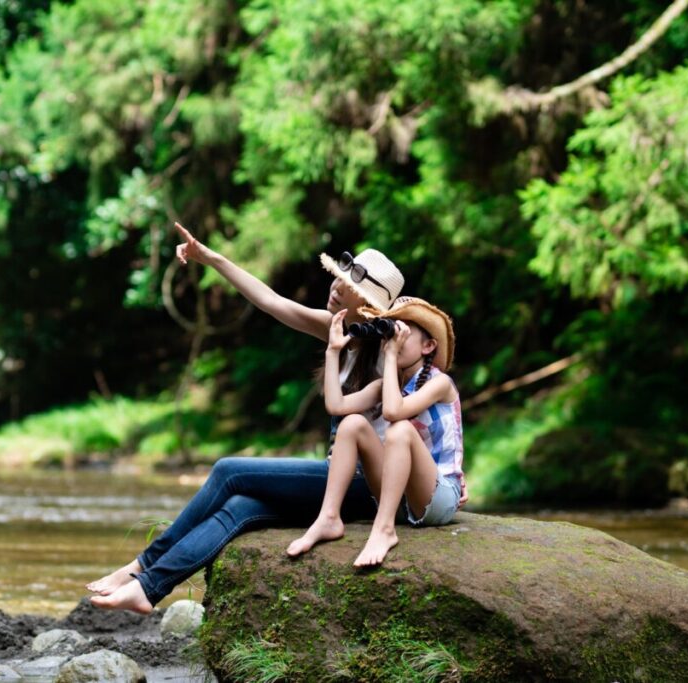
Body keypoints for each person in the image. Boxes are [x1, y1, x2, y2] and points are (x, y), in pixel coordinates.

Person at [88, 223, 457, 613]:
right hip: (339, 478)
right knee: (242, 507)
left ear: (367, 304)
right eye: (337, 278)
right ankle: (149, 587)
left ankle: (141, 565)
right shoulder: (339, 334)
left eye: (347, 286)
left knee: (230, 471)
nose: (335, 286)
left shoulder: (389, 359)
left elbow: (403, 431)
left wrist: (445, 479)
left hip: (366, 484)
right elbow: (269, 300)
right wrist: (210, 258)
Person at [286, 296, 465, 567]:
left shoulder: (440, 384)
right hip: (404, 501)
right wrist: (333, 352)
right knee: (352, 424)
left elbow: (394, 412)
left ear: (428, 346)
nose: (391, 341)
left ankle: (384, 529)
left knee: (400, 430)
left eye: (403, 334)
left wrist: (391, 356)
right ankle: (329, 517)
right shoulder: (387, 385)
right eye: (390, 332)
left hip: (441, 497)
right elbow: (336, 406)